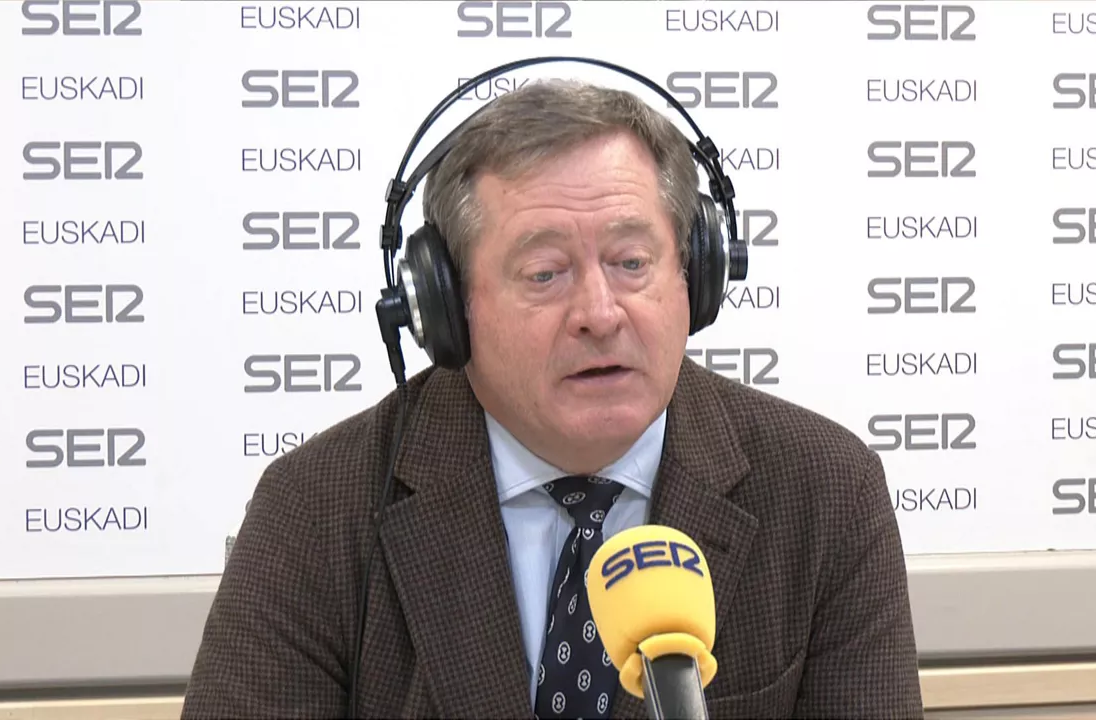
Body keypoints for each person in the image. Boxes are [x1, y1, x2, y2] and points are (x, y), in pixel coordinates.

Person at [180, 77, 924, 719]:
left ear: (695, 276)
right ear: (447, 308)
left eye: (632, 262)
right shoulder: (316, 510)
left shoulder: (826, 492)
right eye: (545, 274)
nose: (599, 313)